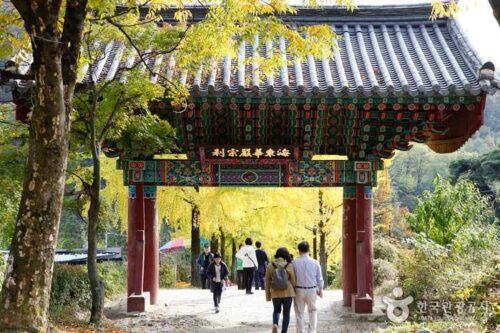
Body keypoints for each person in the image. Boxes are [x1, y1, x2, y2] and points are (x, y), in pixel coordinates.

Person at [293, 241, 323, 333]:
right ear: (308, 250)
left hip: (298, 290)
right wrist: (320, 289)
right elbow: (320, 278)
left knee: (299, 313)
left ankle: (300, 331)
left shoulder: (294, 263)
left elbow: (292, 278)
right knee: (313, 311)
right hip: (312, 289)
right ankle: (312, 331)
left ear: (299, 251)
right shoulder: (315, 262)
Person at [265, 247, 296, 333]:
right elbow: (293, 281)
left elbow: (267, 281)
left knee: (276, 310)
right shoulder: (289, 265)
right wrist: (294, 290)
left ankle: (275, 323)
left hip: (275, 293)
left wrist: (268, 295)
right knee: (286, 313)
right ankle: (284, 331)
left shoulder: (270, 266)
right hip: (288, 293)